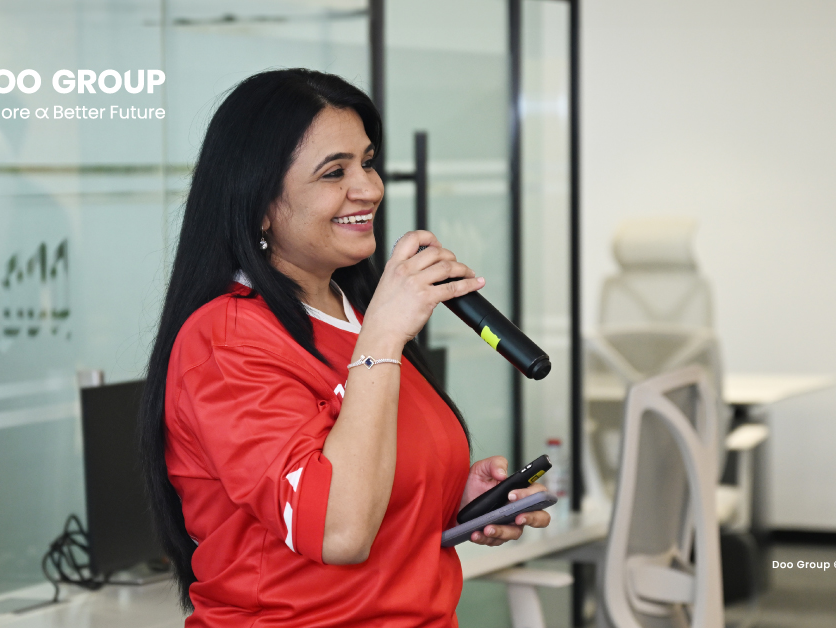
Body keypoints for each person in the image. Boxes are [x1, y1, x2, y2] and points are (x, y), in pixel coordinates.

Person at [139, 68, 551, 627]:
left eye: (368, 162)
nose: (370, 189)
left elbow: (366, 486)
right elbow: (340, 532)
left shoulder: (357, 316)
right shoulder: (228, 340)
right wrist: (383, 337)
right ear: (261, 203)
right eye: (335, 172)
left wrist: (451, 501)